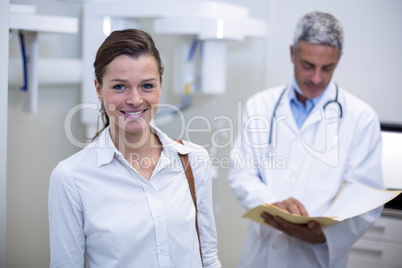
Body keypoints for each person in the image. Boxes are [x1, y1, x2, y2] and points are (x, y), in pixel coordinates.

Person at [48, 29, 221, 268]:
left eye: (147, 86)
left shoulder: (193, 160)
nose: (135, 99)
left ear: (161, 85)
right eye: (120, 87)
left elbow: (209, 259)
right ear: (98, 89)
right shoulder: (71, 178)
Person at [228, 11, 384, 268]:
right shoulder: (260, 105)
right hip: (262, 254)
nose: (316, 78)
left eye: (327, 68)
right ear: (292, 54)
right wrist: (272, 205)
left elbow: (365, 198)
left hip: (316, 258)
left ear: (339, 60)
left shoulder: (362, 118)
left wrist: (324, 235)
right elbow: (241, 174)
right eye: (308, 65)